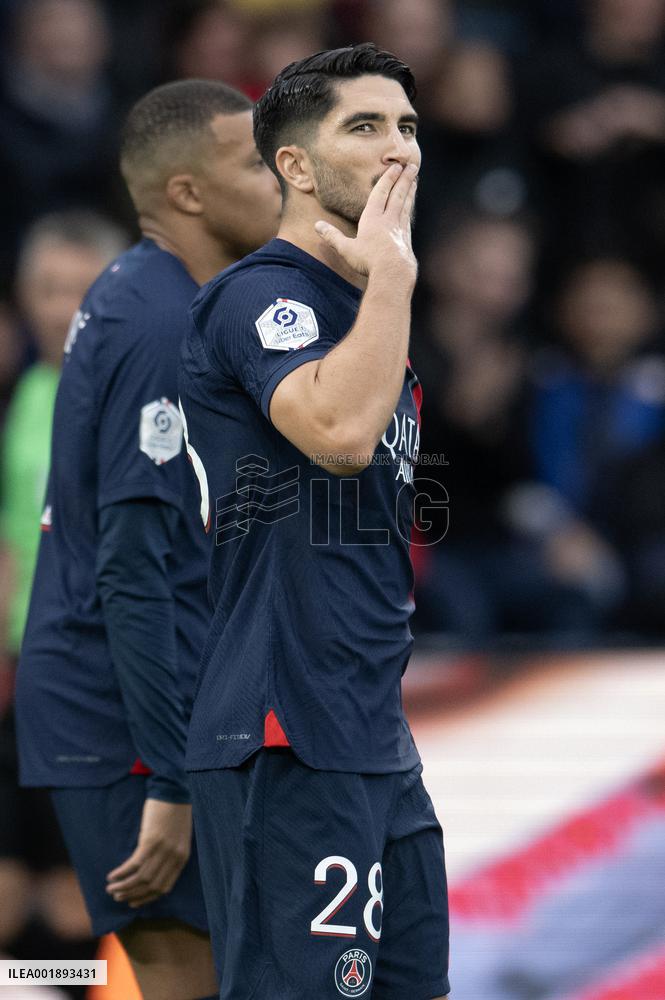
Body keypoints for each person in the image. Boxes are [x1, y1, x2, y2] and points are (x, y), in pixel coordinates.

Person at [179, 43, 450, 1000]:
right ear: (293, 164)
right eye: (365, 127)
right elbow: (335, 433)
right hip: (282, 720)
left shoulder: (370, 303)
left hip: (371, 727)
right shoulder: (263, 295)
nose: (399, 152)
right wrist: (394, 279)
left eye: (408, 128)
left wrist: (385, 284)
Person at [15, 79, 281, 1000]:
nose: (280, 176)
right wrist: (170, 779)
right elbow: (134, 569)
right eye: (254, 161)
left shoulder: (149, 292)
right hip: (125, 720)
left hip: (129, 706)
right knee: (186, 980)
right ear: (187, 194)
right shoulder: (164, 324)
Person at [0, 211, 126, 980]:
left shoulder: (126, 398)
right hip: (21, 676)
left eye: (77, 290)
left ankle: (64, 990)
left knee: (77, 894)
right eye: (46, 289)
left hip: (91, 681)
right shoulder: (24, 390)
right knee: (10, 889)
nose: (59, 308)